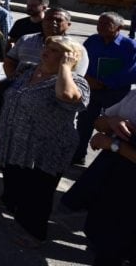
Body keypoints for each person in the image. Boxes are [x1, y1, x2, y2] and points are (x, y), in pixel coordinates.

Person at [0, 36, 89, 247]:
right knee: (15, 178)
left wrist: (65, 68)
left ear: (69, 58)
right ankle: (11, 204)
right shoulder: (29, 70)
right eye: (47, 46)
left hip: (45, 148)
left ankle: (34, 232)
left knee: (39, 193)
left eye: (55, 50)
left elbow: (66, 95)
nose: (46, 51)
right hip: (16, 139)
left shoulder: (75, 81)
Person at [65, 89, 136, 265]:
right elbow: (99, 122)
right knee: (104, 236)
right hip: (113, 181)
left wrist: (113, 145)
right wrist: (112, 122)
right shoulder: (133, 96)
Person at [72, 12, 136, 166]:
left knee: (111, 127)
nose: (100, 27)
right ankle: (78, 154)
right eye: (99, 23)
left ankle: (108, 158)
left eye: (105, 24)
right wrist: (87, 78)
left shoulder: (129, 46)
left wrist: (104, 83)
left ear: (119, 27)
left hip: (115, 93)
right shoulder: (93, 41)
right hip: (91, 90)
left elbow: (131, 71)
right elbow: (81, 60)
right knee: (84, 121)